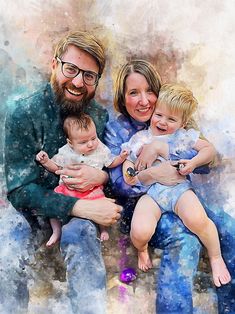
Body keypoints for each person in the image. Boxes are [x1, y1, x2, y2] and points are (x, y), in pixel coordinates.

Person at [4, 30, 122, 314]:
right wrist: (81, 206)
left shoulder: (98, 116)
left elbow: (108, 167)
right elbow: (20, 191)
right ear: (54, 64)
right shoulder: (23, 112)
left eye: (89, 75)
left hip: (79, 212)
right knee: (8, 242)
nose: (79, 82)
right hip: (29, 212)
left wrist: (104, 177)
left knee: (81, 235)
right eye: (71, 69)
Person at [104, 59, 235, 313]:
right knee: (186, 241)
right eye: (133, 93)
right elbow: (121, 184)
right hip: (143, 204)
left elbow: (207, 160)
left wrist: (162, 148)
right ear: (122, 96)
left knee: (228, 227)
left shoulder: (172, 111)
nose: (144, 101)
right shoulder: (117, 129)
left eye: (149, 91)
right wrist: (155, 173)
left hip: (181, 195)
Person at [121, 83, 231, 287]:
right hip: (152, 194)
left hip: (179, 190)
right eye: (159, 115)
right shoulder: (142, 138)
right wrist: (129, 172)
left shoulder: (183, 137)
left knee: (198, 219)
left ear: (183, 123)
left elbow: (209, 150)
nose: (163, 122)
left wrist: (194, 162)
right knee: (140, 230)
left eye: (171, 119)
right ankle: (142, 249)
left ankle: (216, 257)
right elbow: (129, 160)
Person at [36, 113, 128, 246]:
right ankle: (56, 231)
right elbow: (56, 167)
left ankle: (103, 229)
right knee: (54, 205)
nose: (91, 144)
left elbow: (110, 162)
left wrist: (121, 157)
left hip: (91, 190)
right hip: (67, 188)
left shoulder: (100, 150)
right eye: (84, 142)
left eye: (93, 138)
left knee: (102, 204)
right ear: (70, 143)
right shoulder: (66, 152)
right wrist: (46, 161)